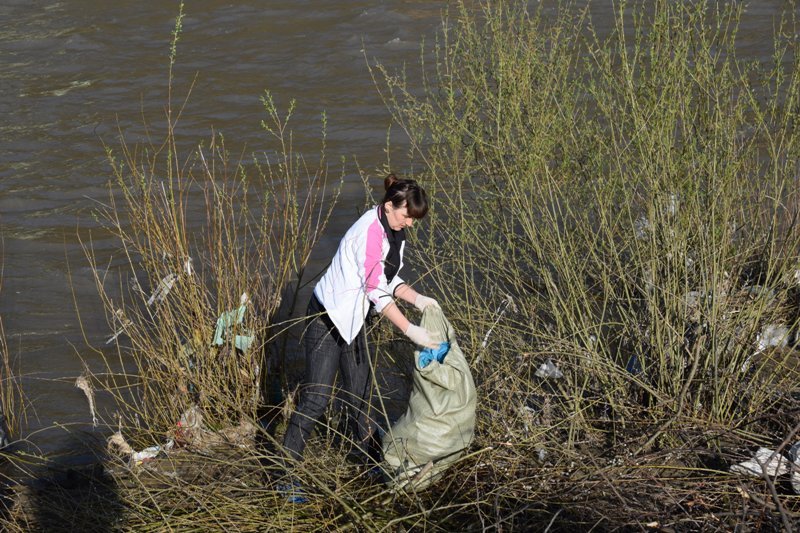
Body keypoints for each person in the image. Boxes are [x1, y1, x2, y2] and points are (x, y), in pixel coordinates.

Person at [281, 173, 441, 467]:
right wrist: (410, 330)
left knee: (362, 398)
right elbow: (376, 291)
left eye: (413, 219)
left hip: (353, 322)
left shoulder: (395, 232)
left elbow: (387, 279)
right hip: (326, 320)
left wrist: (419, 299)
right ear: (390, 205)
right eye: (407, 216)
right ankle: (282, 471)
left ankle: (371, 463)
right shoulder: (369, 231)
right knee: (316, 399)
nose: (410, 224)